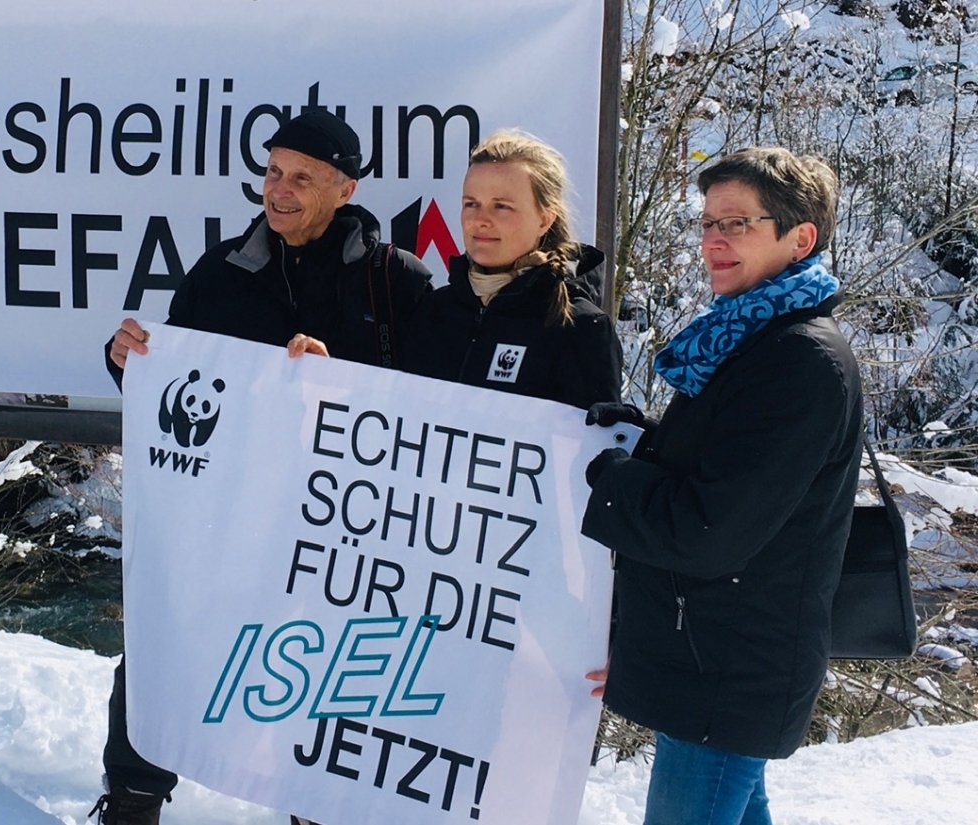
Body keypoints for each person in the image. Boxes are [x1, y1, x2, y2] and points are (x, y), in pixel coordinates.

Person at [93, 110, 433, 825]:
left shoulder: (396, 282)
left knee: (323, 669)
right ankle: (130, 799)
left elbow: (431, 413)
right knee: (165, 639)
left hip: (341, 522)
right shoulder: (221, 269)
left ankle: (316, 810)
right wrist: (128, 361)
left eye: (300, 177)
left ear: (346, 188)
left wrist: (339, 384)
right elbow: (174, 392)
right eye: (273, 172)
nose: (278, 190)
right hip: (226, 510)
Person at [581, 147, 863, 825]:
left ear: (800, 238)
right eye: (708, 222)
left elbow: (709, 527)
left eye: (736, 223)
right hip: (714, 655)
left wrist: (609, 477)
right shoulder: (751, 340)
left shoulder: (799, 361)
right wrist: (640, 438)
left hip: (726, 673)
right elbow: (726, 466)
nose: (713, 240)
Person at [290, 128, 623, 411]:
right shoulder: (434, 312)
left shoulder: (581, 328)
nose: (480, 219)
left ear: (544, 219)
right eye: (471, 203)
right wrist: (330, 379)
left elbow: (590, 466)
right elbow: (391, 415)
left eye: (501, 206)